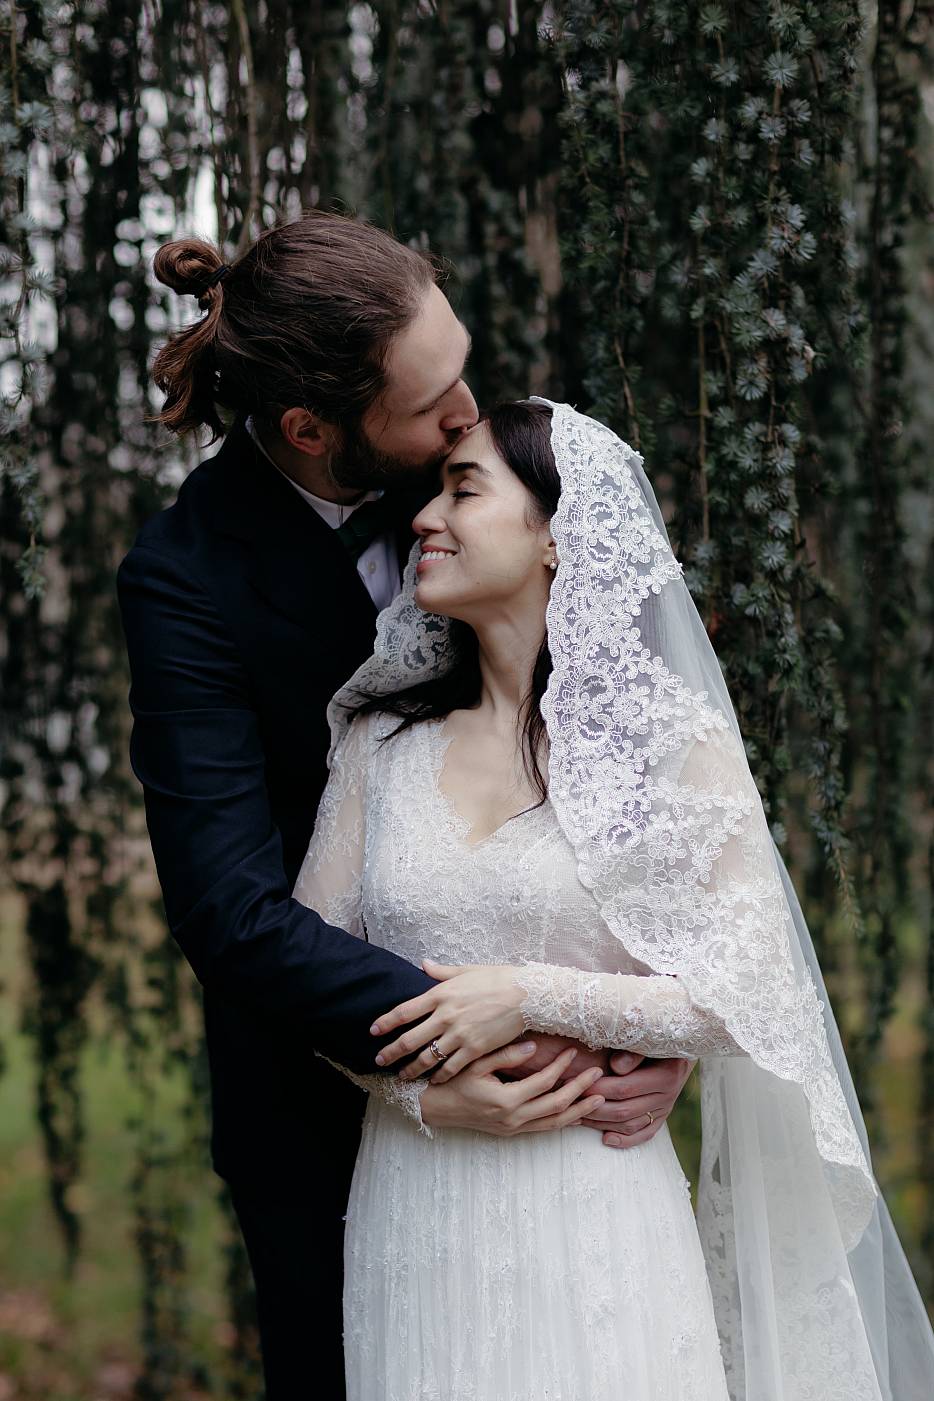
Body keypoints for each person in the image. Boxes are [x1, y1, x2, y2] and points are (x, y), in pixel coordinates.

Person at [117, 211, 690, 1398]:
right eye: (429, 406)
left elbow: (642, 756)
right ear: (310, 430)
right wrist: (453, 1046)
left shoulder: (496, 482)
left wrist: (643, 1020)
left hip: (572, 1124)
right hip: (317, 1103)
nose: (465, 416)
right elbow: (231, 909)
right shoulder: (186, 583)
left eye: (462, 369)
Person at [296, 399, 934, 1399]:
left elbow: (754, 993)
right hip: (413, 1208)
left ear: (558, 536)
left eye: (463, 489)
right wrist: (414, 1091)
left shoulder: (668, 751)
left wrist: (527, 994)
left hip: (593, 1203)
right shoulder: (379, 748)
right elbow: (300, 973)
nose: (425, 518)